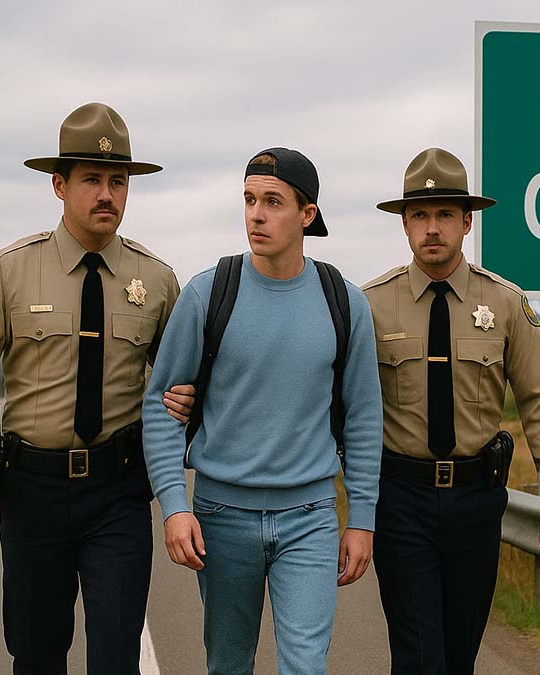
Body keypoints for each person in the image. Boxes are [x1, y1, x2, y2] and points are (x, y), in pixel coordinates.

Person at [0, 102, 195, 675]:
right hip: (33, 494)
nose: (107, 194)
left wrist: (190, 409)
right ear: (59, 184)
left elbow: (186, 385)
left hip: (119, 492)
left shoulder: (156, 281)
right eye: (92, 180)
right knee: (35, 654)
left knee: (115, 657)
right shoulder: (10, 270)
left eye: (118, 182)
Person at [141, 147, 383, 675]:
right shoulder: (208, 295)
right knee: (228, 665)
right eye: (249, 200)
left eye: (273, 201)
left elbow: (364, 417)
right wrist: (175, 505)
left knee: (305, 667)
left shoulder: (344, 302)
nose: (256, 214)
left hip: (311, 518)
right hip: (221, 517)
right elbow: (160, 407)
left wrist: (361, 517)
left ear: (307, 214)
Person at [363, 147, 540, 674]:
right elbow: (334, 400)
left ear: (467, 221)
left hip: (476, 502)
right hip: (401, 500)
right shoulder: (369, 304)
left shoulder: (504, 304)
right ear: (405, 225)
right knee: (416, 658)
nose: (431, 228)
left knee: (459, 656)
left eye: (444, 215)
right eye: (420, 216)